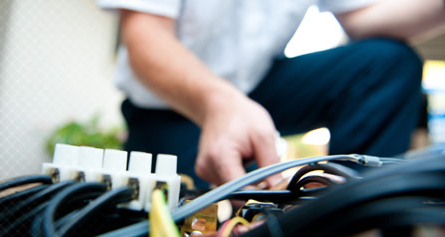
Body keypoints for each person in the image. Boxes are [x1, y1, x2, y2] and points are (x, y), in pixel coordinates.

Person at [98, 0, 445, 189]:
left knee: (388, 63)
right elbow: (145, 36)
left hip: (259, 89)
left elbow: (363, 19)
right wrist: (217, 102)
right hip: (171, 107)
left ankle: (354, 215)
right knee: (212, 232)